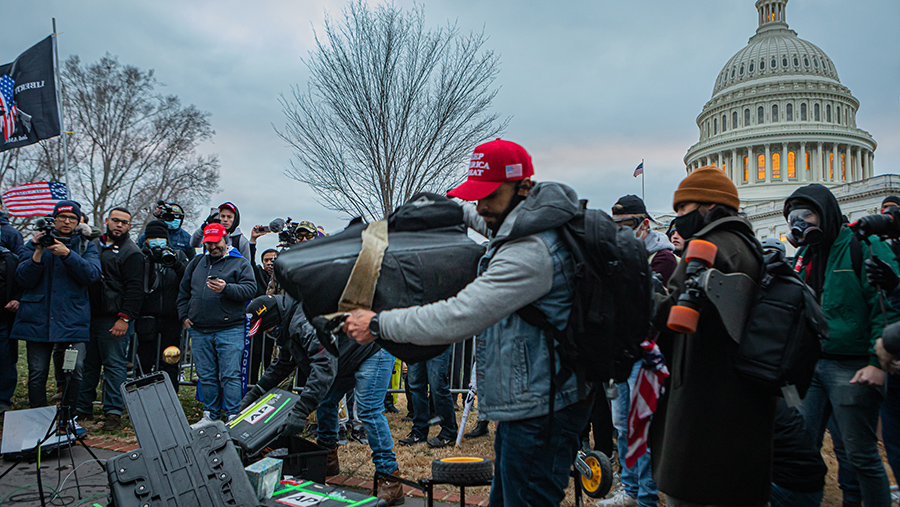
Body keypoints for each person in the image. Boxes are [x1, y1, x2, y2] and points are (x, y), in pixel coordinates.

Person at [344, 139, 591, 506]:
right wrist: (447, 209)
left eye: (488, 195)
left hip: (542, 408)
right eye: (475, 196)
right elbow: (487, 220)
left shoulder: (532, 250)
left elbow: (459, 315)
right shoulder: (529, 221)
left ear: (523, 186)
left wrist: (379, 323)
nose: (481, 206)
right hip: (530, 401)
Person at [652, 166, 774, 506]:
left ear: (708, 205)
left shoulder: (706, 248)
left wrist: (643, 293)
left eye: (683, 207)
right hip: (743, 398)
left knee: (691, 492)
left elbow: (673, 315)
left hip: (701, 398)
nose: (678, 217)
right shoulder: (748, 246)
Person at [784, 183, 899, 507]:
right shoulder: (804, 255)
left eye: (807, 214)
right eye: (793, 217)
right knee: (800, 449)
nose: (799, 222)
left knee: (859, 454)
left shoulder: (864, 245)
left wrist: (878, 364)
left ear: (826, 213)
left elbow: (886, 308)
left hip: (852, 366)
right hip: (810, 367)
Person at [238, 295, 403, 505]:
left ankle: (390, 479)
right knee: (325, 401)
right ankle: (327, 459)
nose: (269, 335)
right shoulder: (287, 323)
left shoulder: (306, 323)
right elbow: (282, 365)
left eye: (269, 330)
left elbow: (324, 367)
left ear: (274, 319)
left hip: (372, 349)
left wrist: (300, 412)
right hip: (345, 356)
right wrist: (253, 395)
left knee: (368, 410)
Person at [600, 194, 677, 507]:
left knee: (638, 429)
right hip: (622, 352)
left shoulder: (663, 259)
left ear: (644, 224)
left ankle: (645, 496)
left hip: (646, 355)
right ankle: (630, 489)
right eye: (615, 226)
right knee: (622, 428)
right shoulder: (619, 257)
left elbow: (648, 307)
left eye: (626, 225)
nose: (620, 232)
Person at [11, 201, 102, 421]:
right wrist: (38, 252)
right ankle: (39, 420)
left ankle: (67, 418)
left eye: (72, 218)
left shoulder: (86, 245)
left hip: (72, 319)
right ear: (54, 219)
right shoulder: (35, 243)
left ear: (78, 221)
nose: (67, 221)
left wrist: (67, 254)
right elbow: (22, 279)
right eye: (62, 217)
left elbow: (92, 275)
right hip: (37, 319)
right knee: (37, 373)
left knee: (75, 369)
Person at [177, 222, 256, 421]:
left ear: (225, 240)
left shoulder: (240, 263)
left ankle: (232, 416)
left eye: (216, 242)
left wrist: (226, 288)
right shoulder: (196, 262)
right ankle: (210, 415)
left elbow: (250, 290)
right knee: (206, 375)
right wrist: (184, 316)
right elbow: (183, 292)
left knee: (230, 375)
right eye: (209, 243)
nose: (213, 247)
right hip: (199, 329)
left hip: (230, 328)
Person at [76, 207, 144, 430]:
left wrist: (125, 318)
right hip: (89, 315)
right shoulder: (92, 245)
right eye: (115, 220)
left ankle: (113, 412)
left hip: (114, 317)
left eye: (124, 222)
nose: (119, 225)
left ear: (129, 226)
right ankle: (82, 408)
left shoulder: (132, 252)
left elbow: (135, 289)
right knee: (88, 364)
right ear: (107, 221)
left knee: (114, 366)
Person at [135, 220, 189, 391]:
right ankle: (143, 396)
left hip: (171, 318)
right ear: (146, 240)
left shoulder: (178, 255)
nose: (157, 241)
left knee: (170, 360)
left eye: (161, 238)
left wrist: (175, 264)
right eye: (153, 238)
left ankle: (170, 396)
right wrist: (149, 261)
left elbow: (188, 280)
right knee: (144, 361)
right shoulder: (140, 257)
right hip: (146, 317)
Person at [399, 345, 459, 448]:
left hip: (437, 342)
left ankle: (449, 432)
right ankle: (419, 432)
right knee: (416, 386)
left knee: (437, 386)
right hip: (415, 343)